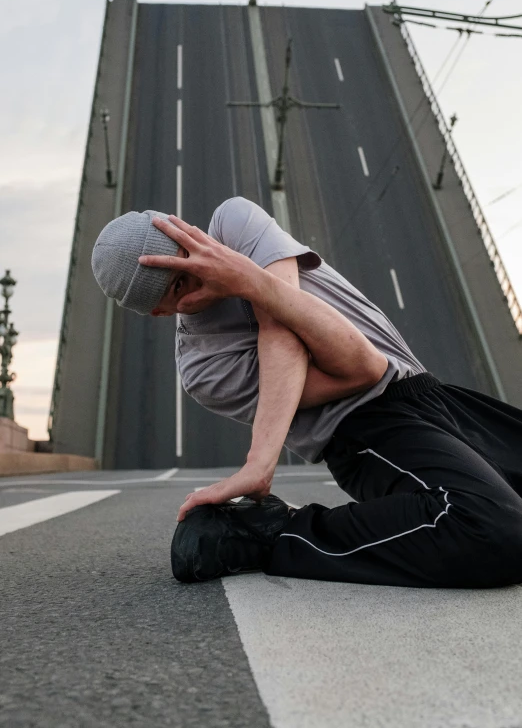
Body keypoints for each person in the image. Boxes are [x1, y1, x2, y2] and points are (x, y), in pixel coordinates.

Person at [92, 196, 522, 588]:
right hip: (369, 432)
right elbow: (364, 370)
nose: (200, 267)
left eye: (187, 252)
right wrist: (252, 281)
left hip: (434, 396)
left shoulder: (234, 222)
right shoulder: (204, 369)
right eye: (179, 285)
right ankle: (274, 533)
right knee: (490, 526)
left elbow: (278, 326)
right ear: (159, 312)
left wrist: (248, 279)